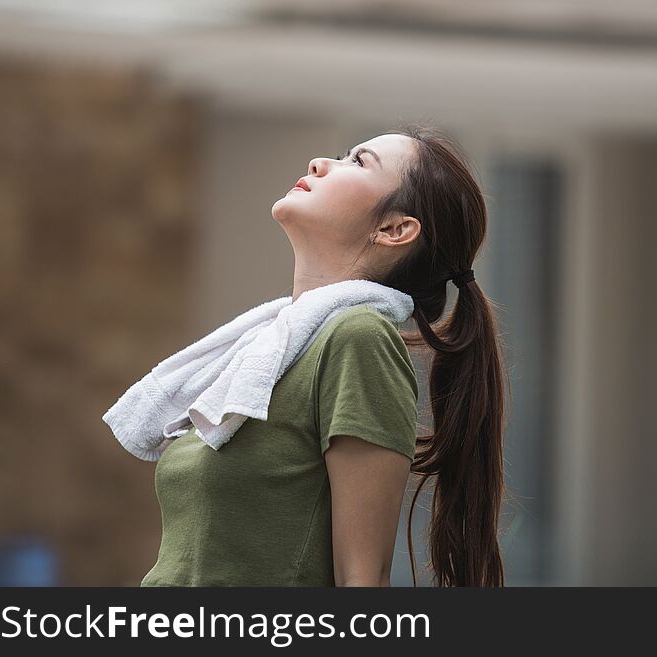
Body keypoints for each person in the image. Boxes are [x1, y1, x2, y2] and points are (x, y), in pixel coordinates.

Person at [140, 122, 508, 588]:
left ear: (394, 229)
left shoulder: (359, 339)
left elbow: (363, 580)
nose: (319, 163)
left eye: (357, 162)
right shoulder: (264, 352)